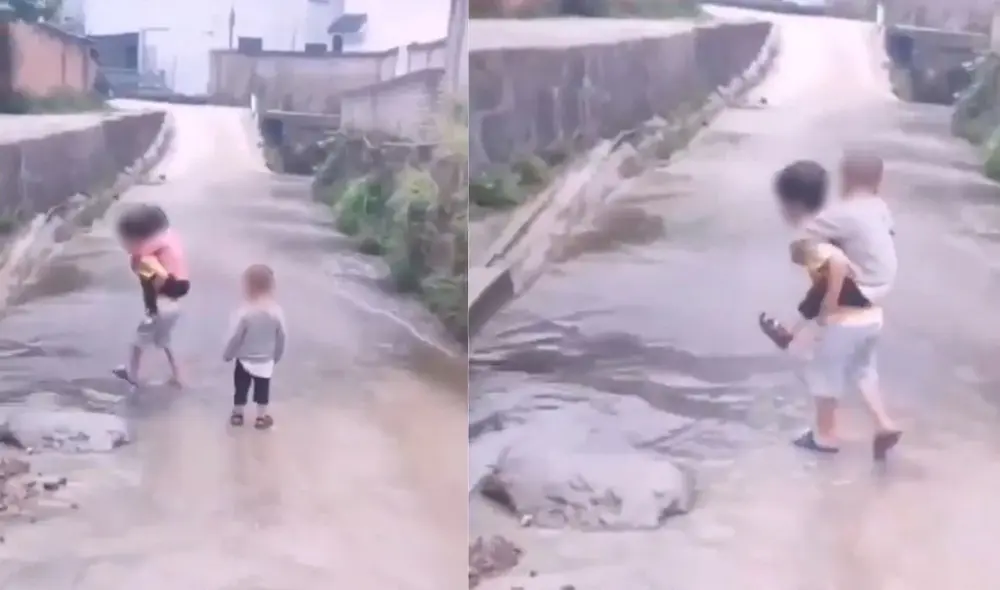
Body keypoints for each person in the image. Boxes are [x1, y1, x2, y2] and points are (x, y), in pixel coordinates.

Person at [761, 153, 902, 461]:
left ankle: (825, 436)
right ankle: (884, 424)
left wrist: (829, 308)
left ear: (791, 204)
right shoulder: (853, 219)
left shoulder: (816, 236)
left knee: (823, 375)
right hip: (871, 316)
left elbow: (834, 266)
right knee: (863, 371)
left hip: (846, 319)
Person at [112, 203, 190, 388]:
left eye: (125, 240)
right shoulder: (162, 248)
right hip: (173, 306)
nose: (123, 244)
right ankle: (178, 374)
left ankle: (132, 375)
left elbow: (160, 276)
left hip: (160, 307)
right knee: (164, 341)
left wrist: (154, 296)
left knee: (137, 342)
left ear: (138, 239)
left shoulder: (147, 257)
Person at [223, 264, 287, 430]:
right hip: (265, 360)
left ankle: (237, 415)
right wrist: (277, 355)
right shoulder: (276, 312)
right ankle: (261, 417)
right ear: (271, 286)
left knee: (241, 388)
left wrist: (228, 354)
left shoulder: (244, 312)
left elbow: (235, 337)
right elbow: (281, 336)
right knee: (262, 389)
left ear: (248, 286)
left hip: (244, 359)